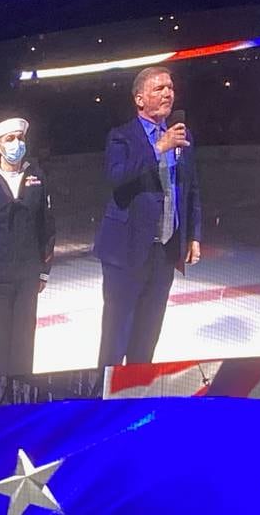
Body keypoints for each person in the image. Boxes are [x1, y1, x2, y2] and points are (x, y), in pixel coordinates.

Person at [94, 66, 202, 368]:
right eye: (159, 89)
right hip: (126, 251)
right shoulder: (121, 137)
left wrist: (193, 234)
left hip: (165, 251)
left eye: (170, 87)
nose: (168, 93)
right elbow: (116, 177)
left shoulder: (182, 136)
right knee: (116, 338)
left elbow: (191, 187)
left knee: (147, 337)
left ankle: (138, 390)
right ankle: (107, 400)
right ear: (140, 99)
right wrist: (158, 148)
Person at [0, 117, 55, 377]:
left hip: (27, 278)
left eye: (20, 138)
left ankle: (21, 398)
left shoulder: (37, 178)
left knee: (24, 346)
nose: (17, 143)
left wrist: (43, 270)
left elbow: (47, 228)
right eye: (10, 139)